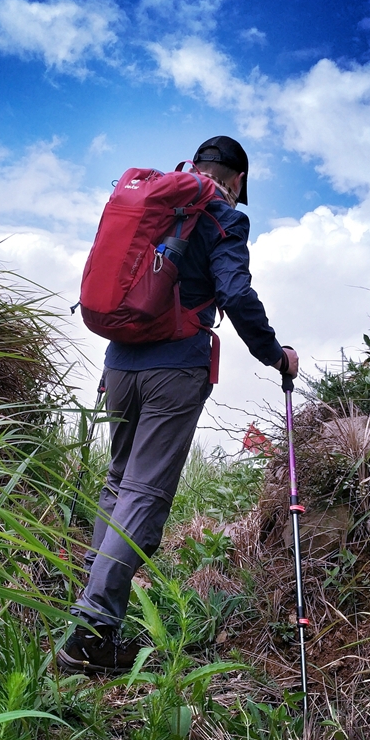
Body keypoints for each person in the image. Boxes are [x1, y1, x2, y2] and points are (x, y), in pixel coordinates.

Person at [57, 136, 299, 673]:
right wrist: (274, 355)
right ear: (237, 179)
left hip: (119, 364)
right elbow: (234, 294)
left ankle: (87, 616)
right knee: (143, 491)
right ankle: (92, 633)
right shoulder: (222, 214)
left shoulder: (159, 200)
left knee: (119, 483)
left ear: (194, 167)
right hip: (174, 369)